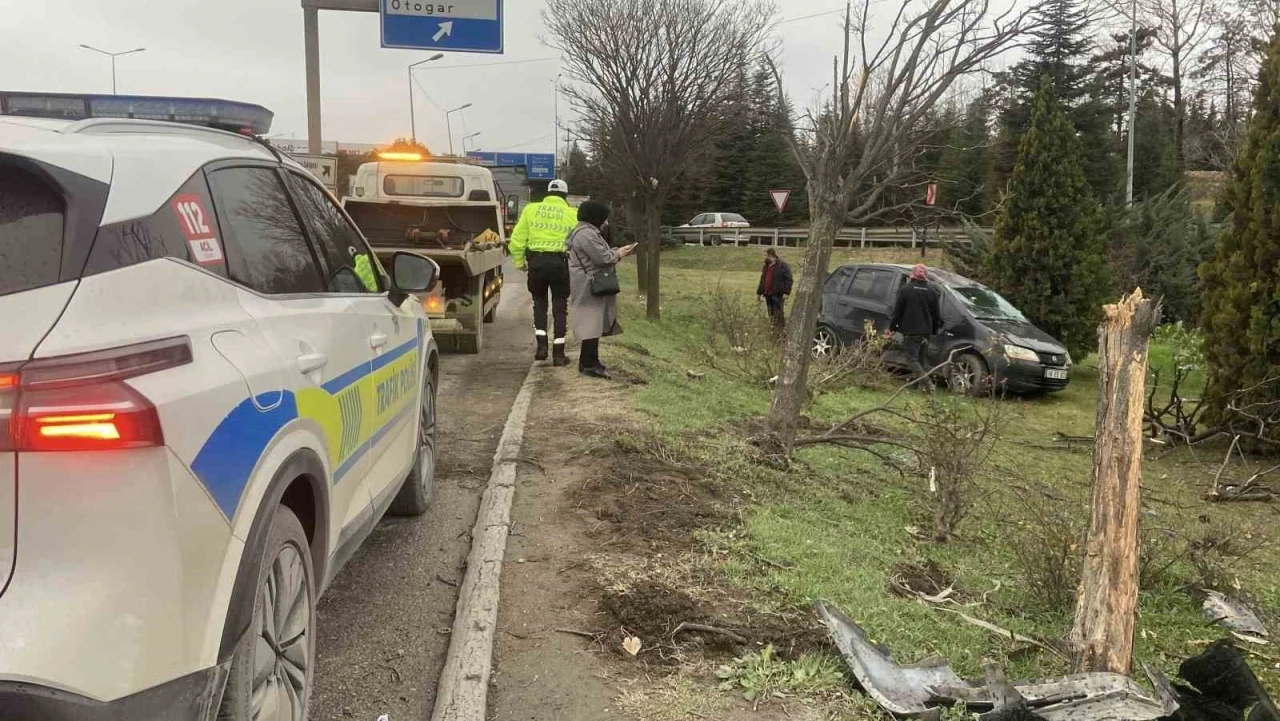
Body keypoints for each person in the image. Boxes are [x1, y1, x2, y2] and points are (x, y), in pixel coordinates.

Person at [509, 179, 579, 365]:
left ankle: (541, 347)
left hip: (536, 263)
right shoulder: (573, 214)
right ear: (565, 195)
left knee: (539, 303)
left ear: (548, 193)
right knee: (559, 306)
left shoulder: (531, 210)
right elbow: (578, 242)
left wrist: (519, 262)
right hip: (560, 264)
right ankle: (558, 354)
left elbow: (517, 239)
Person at [567, 201, 636, 379]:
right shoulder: (587, 234)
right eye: (604, 218)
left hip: (588, 283)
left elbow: (599, 254)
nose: (606, 222)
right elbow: (602, 258)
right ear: (595, 217)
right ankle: (589, 364)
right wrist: (619, 253)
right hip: (588, 285)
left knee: (593, 323)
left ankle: (589, 361)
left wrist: (615, 251)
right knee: (591, 324)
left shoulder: (586, 232)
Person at [889, 264, 942, 390]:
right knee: (920, 360)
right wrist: (933, 330)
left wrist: (892, 328)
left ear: (912, 275)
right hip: (926, 331)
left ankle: (928, 384)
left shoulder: (905, 289)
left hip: (911, 331)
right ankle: (916, 385)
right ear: (926, 276)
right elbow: (936, 314)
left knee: (912, 359)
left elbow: (898, 312)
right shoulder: (932, 291)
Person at [756, 248, 793, 332]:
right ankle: (773, 330)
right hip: (768, 294)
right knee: (770, 313)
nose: (765, 257)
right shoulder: (766, 266)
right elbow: (763, 280)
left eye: (766, 255)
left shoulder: (782, 265)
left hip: (778, 294)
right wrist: (759, 293)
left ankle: (780, 332)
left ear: (771, 255)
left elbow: (789, 279)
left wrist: (786, 292)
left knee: (778, 313)